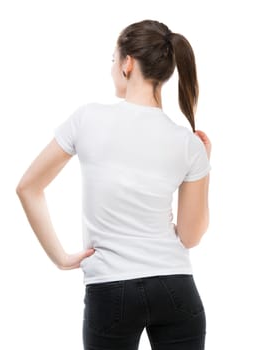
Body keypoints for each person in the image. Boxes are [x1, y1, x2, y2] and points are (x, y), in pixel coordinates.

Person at [16, 19, 212, 350]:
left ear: (127, 63)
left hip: (111, 288)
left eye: (113, 59)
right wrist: (206, 163)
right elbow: (191, 236)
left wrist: (61, 259)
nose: (112, 68)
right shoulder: (188, 143)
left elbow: (28, 187)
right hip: (176, 288)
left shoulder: (87, 119)